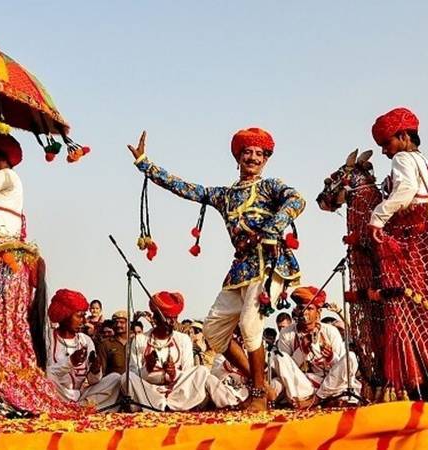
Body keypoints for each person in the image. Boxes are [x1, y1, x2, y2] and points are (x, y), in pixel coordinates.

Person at [126, 128, 306, 411]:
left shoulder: (271, 186)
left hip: (269, 264)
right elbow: (185, 188)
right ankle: (262, 385)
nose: (253, 158)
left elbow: (296, 200)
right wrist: (146, 164)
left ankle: (258, 394)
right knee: (213, 331)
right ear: (238, 157)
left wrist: (273, 228)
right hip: (241, 268)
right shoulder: (224, 196)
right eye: (247, 153)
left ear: (266, 160)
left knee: (249, 326)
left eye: (259, 154)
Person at [368, 107, 428, 242]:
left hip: (415, 234)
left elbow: (407, 188)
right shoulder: (426, 162)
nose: (383, 151)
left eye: (386, 143)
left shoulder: (401, 157)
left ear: (403, 136)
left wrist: (378, 218)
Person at [273, 287, 361, 409]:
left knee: (350, 357)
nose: (305, 312)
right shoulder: (287, 333)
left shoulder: (330, 331)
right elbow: (286, 368)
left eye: (309, 308)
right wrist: (302, 351)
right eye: (301, 308)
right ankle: (313, 400)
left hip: (330, 384)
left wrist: (330, 357)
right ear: (297, 310)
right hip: (304, 385)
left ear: (318, 313)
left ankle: (316, 400)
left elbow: (340, 367)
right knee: (279, 358)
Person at [125, 291, 214, 411]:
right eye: (167, 318)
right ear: (155, 318)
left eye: (175, 318)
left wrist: (174, 373)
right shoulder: (140, 340)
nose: (172, 322)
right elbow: (133, 374)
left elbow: (188, 374)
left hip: (176, 391)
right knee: (126, 378)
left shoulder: (183, 339)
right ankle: (160, 406)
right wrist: (147, 369)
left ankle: (170, 405)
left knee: (201, 371)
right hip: (149, 392)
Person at [45, 289, 121, 410]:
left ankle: (78, 408)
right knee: (45, 375)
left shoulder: (85, 340)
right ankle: (73, 408)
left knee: (116, 379)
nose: (84, 321)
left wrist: (95, 371)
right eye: (79, 316)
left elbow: (92, 381)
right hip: (56, 394)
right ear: (65, 316)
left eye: (84, 316)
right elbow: (46, 373)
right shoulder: (48, 338)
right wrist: (70, 362)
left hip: (81, 395)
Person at [97, 311, 129, 376]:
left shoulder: (135, 342)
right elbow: (101, 370)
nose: (118, 325)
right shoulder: (105, 344)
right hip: (113, 383)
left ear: (128, 324)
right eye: (116, 322)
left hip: (133, 382)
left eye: (122, 322)